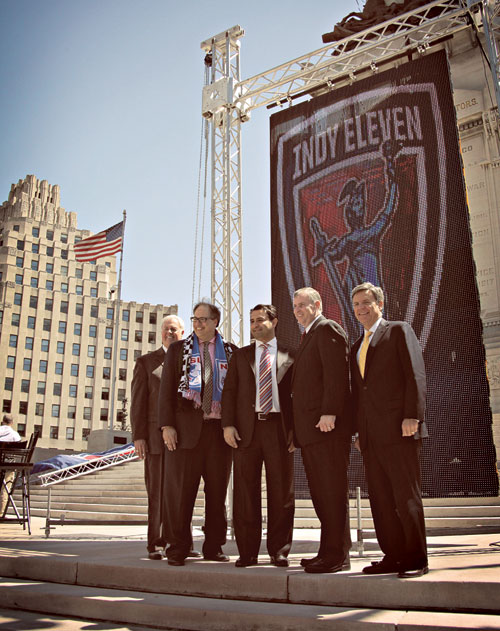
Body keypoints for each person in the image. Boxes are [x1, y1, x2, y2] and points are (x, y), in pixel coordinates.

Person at [350, 282, 428, 578]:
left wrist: (412, 416)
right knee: (381, 500)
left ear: (380, 304)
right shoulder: (357, 346)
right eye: (356, 304)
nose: (361, 308)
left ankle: (416, 558)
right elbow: (360, 394)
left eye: (366, 302)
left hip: (400, 430)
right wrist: (358, 433)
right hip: (371, 438)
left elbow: (414, 374)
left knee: (405, 496)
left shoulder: (398, 330)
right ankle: (393, 556)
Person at [158, 301, 237, 566]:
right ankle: (178, 547)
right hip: (185, 433)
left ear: (216, 321)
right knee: (181, 494)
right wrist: (166, 425)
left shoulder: (230, 352)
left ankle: (214, 547)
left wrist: (231, 424)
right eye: (195, 319)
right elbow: (166, 390)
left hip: (218, 433)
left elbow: (235, 395)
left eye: (204, 319)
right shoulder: (178, 350)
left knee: (216, 494)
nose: (199, 324)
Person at [222, 304, 295, 568]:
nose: (254, 325)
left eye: (260, 320)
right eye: (251, 320)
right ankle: (248, 552)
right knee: (245, 493)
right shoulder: (240, 357)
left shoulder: (290, 355)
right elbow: (229, 392)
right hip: (246, 431)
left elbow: (297, 397)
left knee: (281, 493)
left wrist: (294, 431)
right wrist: (227, 425)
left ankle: (280, 550)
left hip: (278, 430)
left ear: (274, 321)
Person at [291, 287, 352, 573]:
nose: (298, 310)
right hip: (311, 432)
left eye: (303, 304)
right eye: (294, 306)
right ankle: (327, 551)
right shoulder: (309, 335)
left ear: (318, 305)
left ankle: (337, 555)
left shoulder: (328, 329)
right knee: (321, 494)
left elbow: (337, 374)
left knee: (331, 492)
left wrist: (330, 412)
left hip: (326, 428)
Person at [131, 314, 201, 561]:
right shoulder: (146, 362)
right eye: (165, 329)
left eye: (174, 329)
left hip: (185, 439)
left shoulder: (191, 361)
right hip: (155, 439)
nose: (169, 333)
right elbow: (138, 402)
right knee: (159, 492)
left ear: (183, 333)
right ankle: (157, 542)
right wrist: (139, 436)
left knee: (182, 492)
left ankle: (182, 541)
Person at [0, 414, 22, 516]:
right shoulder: (15, 435)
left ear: (2, 421)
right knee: (6, 488)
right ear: (12, 423)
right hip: (8, 464)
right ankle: (1, 513)